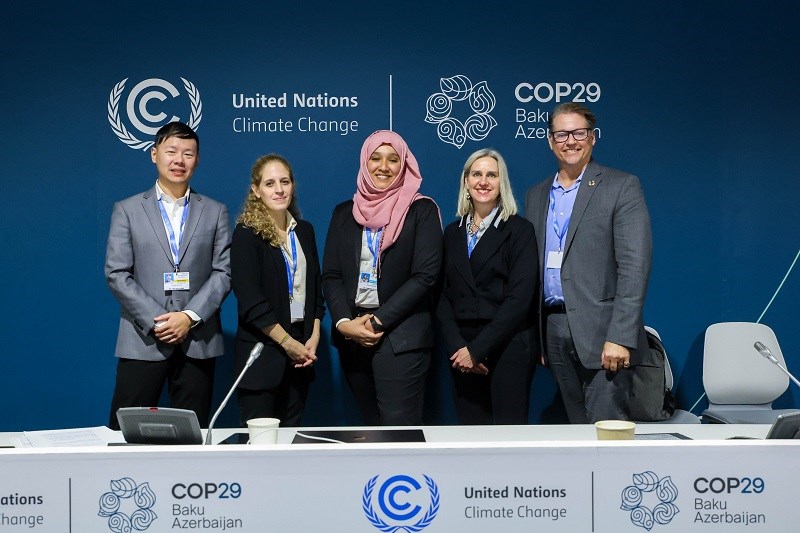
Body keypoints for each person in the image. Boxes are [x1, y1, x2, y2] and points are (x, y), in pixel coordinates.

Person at [525, 102, 652, 423]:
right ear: (550, 141)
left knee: (607, 433)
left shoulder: (621, 186)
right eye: (562, 134)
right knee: (576, 431)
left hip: (604, 332)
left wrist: (621, 336)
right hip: (554, 328)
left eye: (579, 133)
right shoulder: (536, 195)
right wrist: (539, 337)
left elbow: (634, 267)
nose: (571, 141)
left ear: (593, 137)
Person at [106, 121, 231, 429]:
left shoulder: (215, 211)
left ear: (197, 160)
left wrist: (188, 317)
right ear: (154, 154)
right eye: (171, 151)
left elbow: (224, 272)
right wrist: (158, 321)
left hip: (197, 340)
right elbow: (117, 273)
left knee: (192, 437)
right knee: (124, 436)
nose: (179, 160)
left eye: (188, 153)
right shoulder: (127, 209)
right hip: (143, 339)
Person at [322, 130, 442, 426]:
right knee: (371, 429)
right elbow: (332, 275)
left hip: (401, 338)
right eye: (375, 158)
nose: (383, 167)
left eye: (393, 159)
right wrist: (344, 324)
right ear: (365, 162)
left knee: (398, 432)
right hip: (353, 337)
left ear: (404, 164)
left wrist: (377, 322)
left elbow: (425, 276)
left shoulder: (421, 210)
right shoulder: (344, 213)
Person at [437, 148, 538, 424]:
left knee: (509, 435)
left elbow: (519, 299)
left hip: (508, 345)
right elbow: (441, 296)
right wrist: (459, 348)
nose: (483, 182)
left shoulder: (520, 230)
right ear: (466, 181)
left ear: (501, 182)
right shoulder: (452, 233)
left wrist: (477, 351)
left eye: (492, 175)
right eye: (477, 174)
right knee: (471, 434)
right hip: (462, 350)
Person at [230, 154, 324, 427]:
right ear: (256, 190)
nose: (279, 189)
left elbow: (316, 291)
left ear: (293, 186)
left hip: (302, 356)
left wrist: (314, 335)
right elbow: (250, 302)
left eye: (285, 181)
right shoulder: (246, 234)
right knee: (258, 445)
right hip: (263, 356)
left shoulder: (304, 231)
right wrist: (288, 343)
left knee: (291, 441)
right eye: (269, 183)